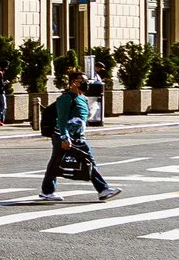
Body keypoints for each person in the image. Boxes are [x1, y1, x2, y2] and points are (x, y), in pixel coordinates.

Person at [36, 71, 118, 202]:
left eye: (87, 81)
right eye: (82, 81)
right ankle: (103, 189)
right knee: (83, 160)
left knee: (58, 163)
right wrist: (64, 137)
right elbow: (61, 119)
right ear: (73, 82)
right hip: (64, 136)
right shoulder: (66, 98)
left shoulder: (83, 98)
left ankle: (47, 191)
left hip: (78, 137)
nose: (86, 83)